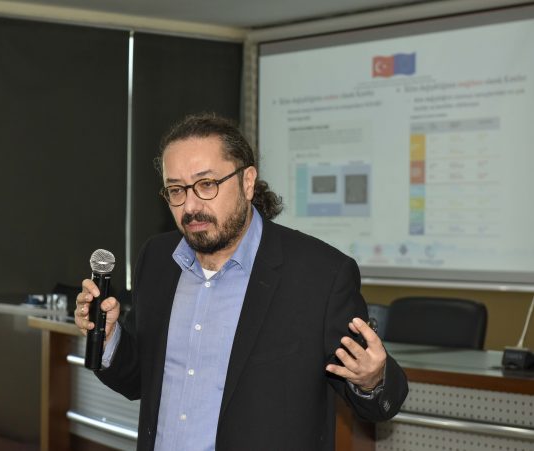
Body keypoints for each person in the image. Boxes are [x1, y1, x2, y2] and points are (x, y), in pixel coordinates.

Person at [75, 113, 408, 451]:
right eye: (176, 190)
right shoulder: (157, 259)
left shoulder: (320, 274)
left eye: (207, 184)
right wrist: (110, 337)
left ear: (247, 182)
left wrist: (373, 380)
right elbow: (140, 381)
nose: (190, 206)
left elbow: (378, 398)